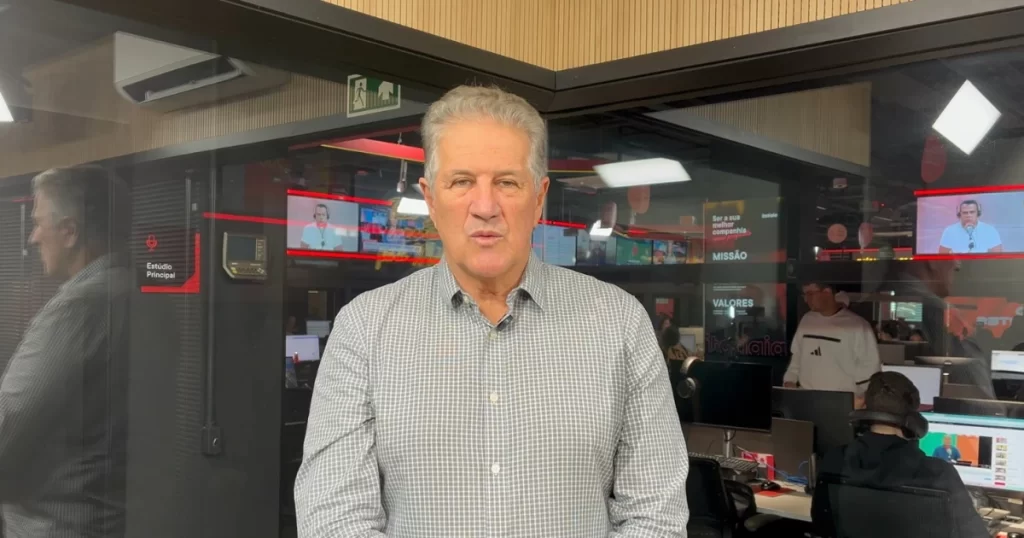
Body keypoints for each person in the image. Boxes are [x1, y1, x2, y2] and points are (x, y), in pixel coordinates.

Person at [294, 85, 689, 537]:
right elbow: (335, 519)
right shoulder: (364, 329)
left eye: (507, 182)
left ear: (538, 198)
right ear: (431, 198)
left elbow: (655, 517)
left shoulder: (620, 324)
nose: (485, 207)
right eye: (462, 182)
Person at [0, 166, 131, 537]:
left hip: (57, 526)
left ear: (70, 232)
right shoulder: (134, 290)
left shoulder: (80, 308)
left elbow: (9, 422)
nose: (33, 237)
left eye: (38, 223)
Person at [812, 372, 987, 538]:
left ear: (864, 411)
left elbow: (821, 524)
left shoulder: (835, 460)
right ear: (914, 422)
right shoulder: (938, 473)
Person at [784, 282, 881, 397]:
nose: (806, 300)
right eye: (804, 294)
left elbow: (870, 370)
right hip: (806, 398)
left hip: (842, 400)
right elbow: (797, 355)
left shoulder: (858, 326)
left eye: (810, 294)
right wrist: (790, 380)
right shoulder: (807, 320)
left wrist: (858, 398)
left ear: (827, 292)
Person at [938, 199, 1002, 254]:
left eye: (972, 212)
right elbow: (942, 256)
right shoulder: (949, 231)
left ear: (978, 213)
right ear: (959, 214)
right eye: (965, 213)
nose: (968, 215)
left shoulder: (990, 231)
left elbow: (997, 256)